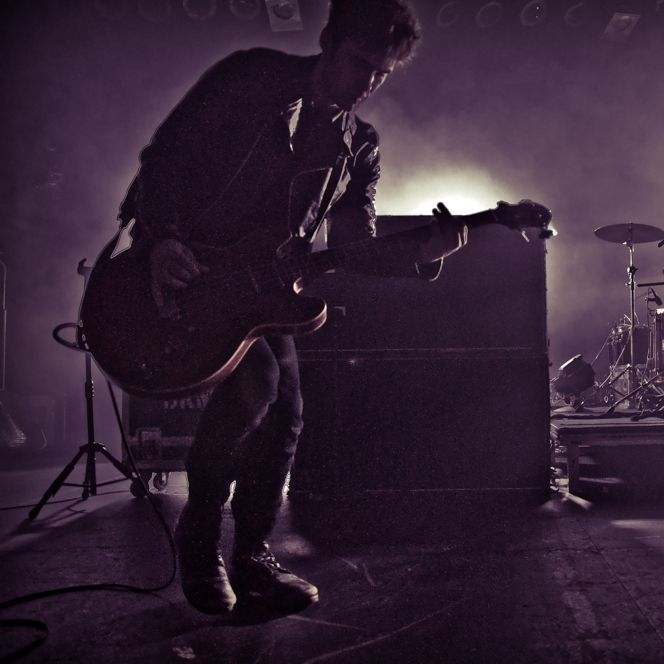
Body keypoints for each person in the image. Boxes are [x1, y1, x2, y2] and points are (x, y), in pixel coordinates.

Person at [116, 0, 467, 615]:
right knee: (260, 387)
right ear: (328, 40)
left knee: (286, 413)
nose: (368, 84)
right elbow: (163, 159)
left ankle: (250, 556)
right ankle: (200, 543)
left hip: (263, 288)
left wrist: (424, 254)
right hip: (189, 266)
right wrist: (162, 238)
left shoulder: (359, 145)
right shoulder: (250, 77)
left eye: (383, 74)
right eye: (360, 63)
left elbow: (355, 246)